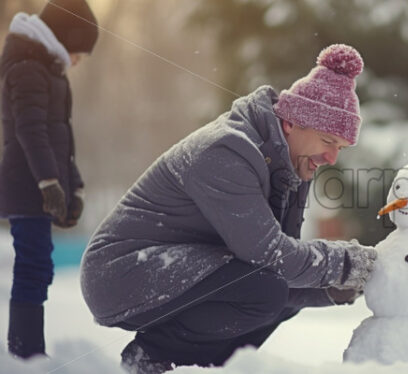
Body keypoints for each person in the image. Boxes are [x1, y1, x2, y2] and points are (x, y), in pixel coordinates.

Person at [79, 44, 377, 373]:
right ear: (292, 123)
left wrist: (334, 288)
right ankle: (149, 356)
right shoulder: (226, 151)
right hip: (121, 272)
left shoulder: (293, 164)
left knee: (280, 292)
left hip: (180, 270)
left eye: (341, 147)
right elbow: (270, 256)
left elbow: (284, 269)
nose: (332, 158)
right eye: (327, 141)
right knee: (267, 289)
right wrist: (344, 263)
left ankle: (207, 368)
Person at [0, 0, 98, 359]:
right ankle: (24, 354)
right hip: (25, 185)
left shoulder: (46, 70)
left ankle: (28, 352)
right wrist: (47, 182)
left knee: (38, 267)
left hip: (37, 184)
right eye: (79, 52)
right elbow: (31, 130)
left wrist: (74, 185)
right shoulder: (28, 68)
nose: (78, 60)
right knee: (33, 266)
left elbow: (61, 138)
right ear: (65, 37)